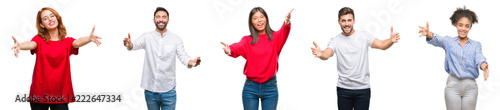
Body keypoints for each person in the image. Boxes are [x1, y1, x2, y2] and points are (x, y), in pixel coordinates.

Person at [10, 7, 102, 110]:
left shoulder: (67, 42)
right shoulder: (39, 40)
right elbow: (30, 44)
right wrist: (20, 46)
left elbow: (77, 42)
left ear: (57, 18)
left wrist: (89, 38)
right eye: (45, 18)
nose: (50, 19)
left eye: (52, 16)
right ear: (42, 25)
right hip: (39, 94)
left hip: (60, 95)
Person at [310, 7, 400, 110]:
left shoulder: (364, 36)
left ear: (354, 21)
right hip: (344, 89)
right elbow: (327, 53)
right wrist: (321, 53)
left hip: (363, 89)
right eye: (343, 21)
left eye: (349, 20)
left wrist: (391, 40)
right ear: (339, 22)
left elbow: (382, 45)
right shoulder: (335, 41)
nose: (346, 24)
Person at [122, 7, 201, 110]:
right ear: (154, 20)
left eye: (164, 17)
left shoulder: (175, 39)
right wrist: (129, 44)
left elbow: (183, 56)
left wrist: (191, 62)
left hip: (169, 91)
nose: (161, 19)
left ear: (168, 20)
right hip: (150, 91)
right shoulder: (147, 37)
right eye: (158, 17)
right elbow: (134, 45)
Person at [220, 7, 293, 110]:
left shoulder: (275, 38)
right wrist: (229, 49)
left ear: (266, 19)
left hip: (270, 87)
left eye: (261, 17)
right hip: (250, 88)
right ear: (251, 22)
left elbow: (284, 31)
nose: (259, 20)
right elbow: (237, 47)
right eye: (255, 18)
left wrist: (286, 22)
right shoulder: (247, 40)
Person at [418, 6, 489, 110]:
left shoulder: (476, 45)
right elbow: (438, 39)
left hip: (470, 87)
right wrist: (428, 33)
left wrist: (484, 66)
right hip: (453, 85)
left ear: (470, 27)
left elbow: (479, 57)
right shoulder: (449, 42)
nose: (463, 29)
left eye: (467, 26)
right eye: (460, 25)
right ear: (456, 25)